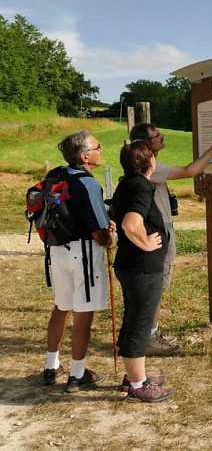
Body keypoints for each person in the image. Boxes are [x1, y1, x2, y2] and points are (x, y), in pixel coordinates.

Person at [128, 123, 212, 355]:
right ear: (147, 144)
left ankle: (144, 332)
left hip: (156, 230)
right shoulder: (152, 168)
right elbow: (189, 171)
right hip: (159, 231)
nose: (162, 135)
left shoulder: (141, 166)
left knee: (152, 286)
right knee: (156, 286)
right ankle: (150, 336)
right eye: (156, 135)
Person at [42, 130, 115, 392]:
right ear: (85, 155)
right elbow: (98, 232)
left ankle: (51, 366)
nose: (100, 151)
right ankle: (78, 373)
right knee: (84, 314)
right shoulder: (88, 183)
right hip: (83, 252)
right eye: (98, 147)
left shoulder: (56, 176)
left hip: (57, 250)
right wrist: (110, 238)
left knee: (61, 306)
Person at [111, 140, 173, 402]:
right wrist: (146, 242)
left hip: (129, 265)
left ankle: (133, 375)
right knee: (140, 322)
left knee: (133, 317)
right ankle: (138, 385)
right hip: (142, 269)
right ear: (149, 163)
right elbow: (129, 223)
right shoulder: (142, 188)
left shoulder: (126, 183)